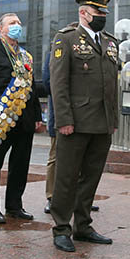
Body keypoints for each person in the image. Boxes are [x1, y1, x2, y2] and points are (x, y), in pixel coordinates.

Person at [47, 0, 119, 252]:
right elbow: (58, 83)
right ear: (83, 14)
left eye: (103, 15)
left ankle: (83, 225)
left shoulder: (111, 43)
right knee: (66, 177)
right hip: (75, 122)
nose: (101, 18)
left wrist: (114, 119)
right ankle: (62, 228)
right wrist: (64, 119)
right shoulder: (65, 39)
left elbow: (113, 85)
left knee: (91, 177)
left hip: (102, 123)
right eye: (97, 14)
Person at [0, 13, 43, 224]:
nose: (17, 26)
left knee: (20, 165)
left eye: (19, 23)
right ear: (1, 29)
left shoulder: (26, 56)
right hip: (0, 119)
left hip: (25, 119)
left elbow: (30, 88)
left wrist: (38, 116)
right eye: (12, 23)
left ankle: (14, 206)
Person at [42, 47, 100, 216]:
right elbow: (48, 82)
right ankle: (52, 197)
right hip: (62, 114)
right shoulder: (57, 48)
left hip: (86, 117)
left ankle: (80, 199)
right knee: (56, 157)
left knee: (83, 159)